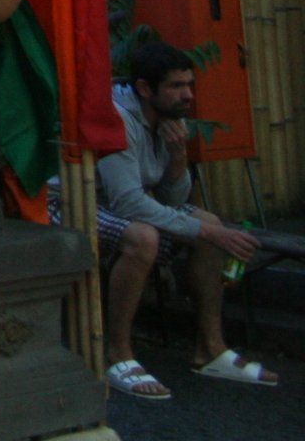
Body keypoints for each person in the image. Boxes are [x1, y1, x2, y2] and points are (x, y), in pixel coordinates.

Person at [80, 42, 271, 398]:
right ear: (144, 88)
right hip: (76, 202)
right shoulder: (117, 117)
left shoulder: (167, 118)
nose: (187, 96)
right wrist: (210, 232)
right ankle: (118, 353)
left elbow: (173, 199)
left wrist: (178, 155)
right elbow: (129, 203)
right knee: (145, 237)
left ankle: (210, 349)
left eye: (189, 85)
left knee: (209, 223)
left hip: (119, 204)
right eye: (176, 86)